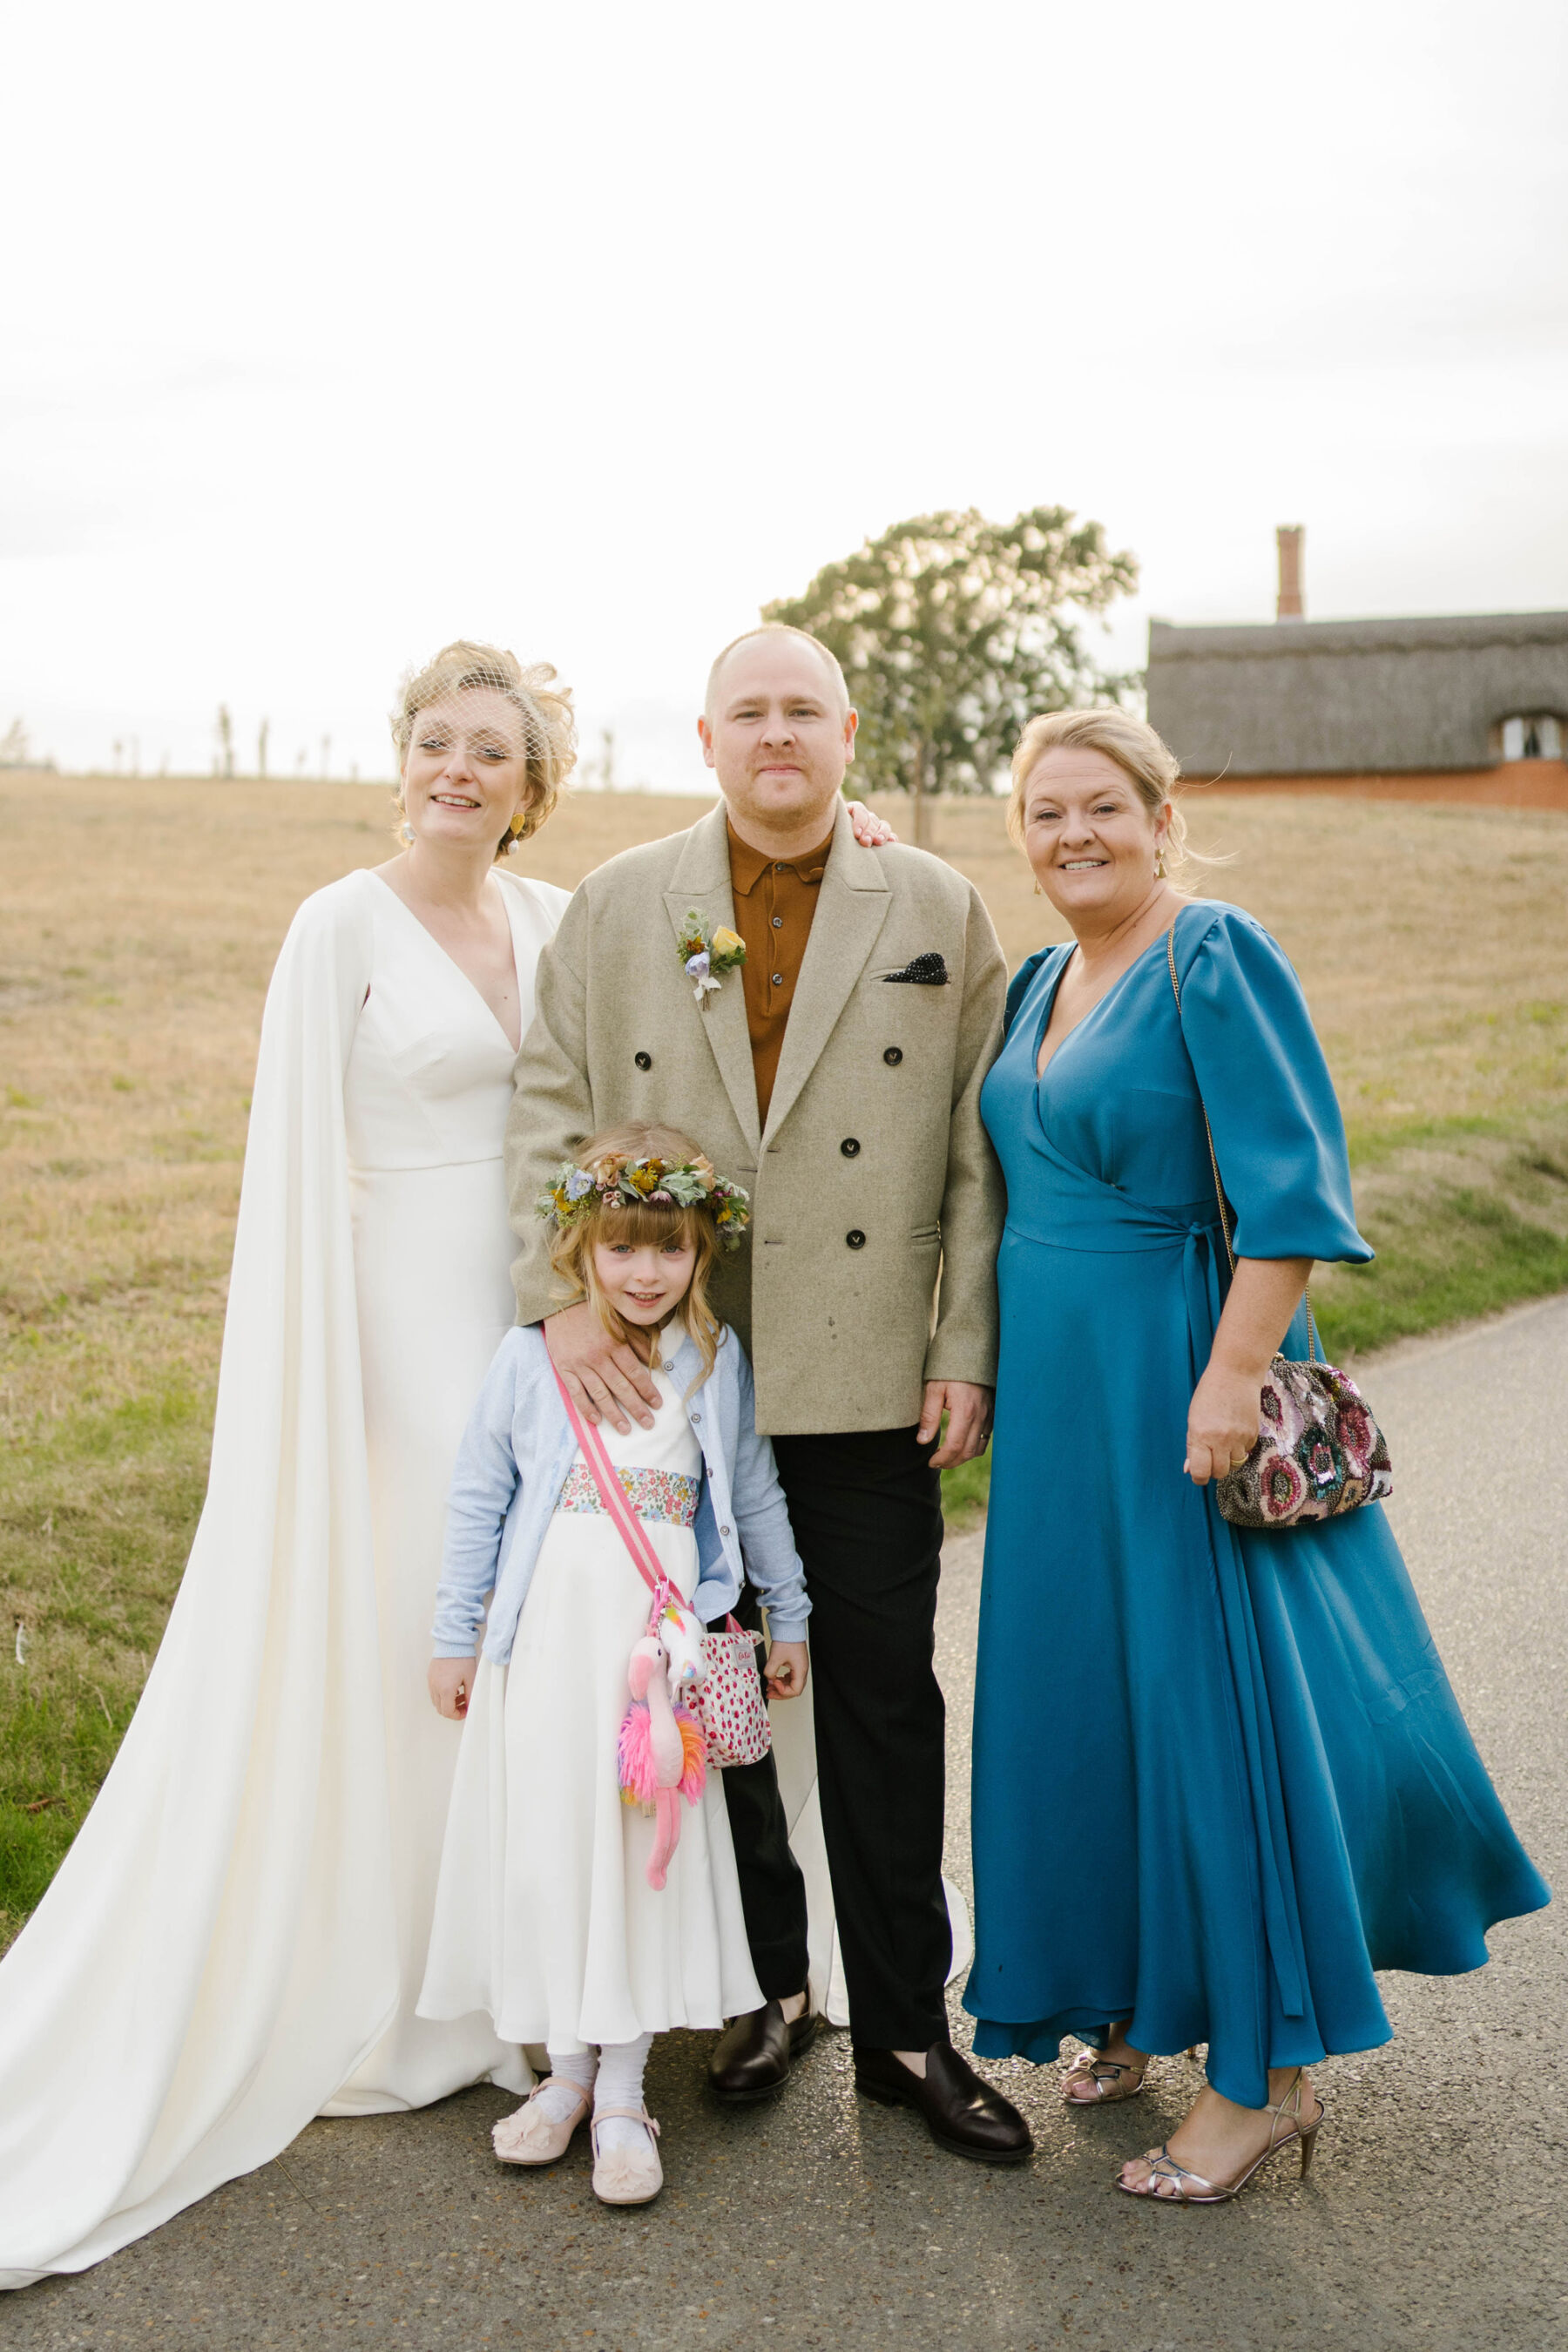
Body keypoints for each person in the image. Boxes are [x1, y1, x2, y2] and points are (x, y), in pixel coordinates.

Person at [0, 641, 578, 2288]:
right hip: (395, 1324)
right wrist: (314, 1383)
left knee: (531, 1632)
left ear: (535, 788)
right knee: (421, 1623)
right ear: (402, 761)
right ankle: (397, 1989)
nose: (457, 769)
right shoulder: (337, 929)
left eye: (492, 750)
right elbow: (292, 1170)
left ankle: (510, 1978)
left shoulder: (556, 923)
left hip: (538, 1319)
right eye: (434, 742)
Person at [967, 706, 1551, 2203]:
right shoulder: (1038, 975)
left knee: (1203, 1703)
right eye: (1044, 814)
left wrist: (1232, 1376)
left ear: (1163, 818)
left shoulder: (1209, 954)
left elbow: (1292, 1191)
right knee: (1080, 1697)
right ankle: (1129, 1996)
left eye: (1102, 807)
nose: (1072, 835)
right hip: (1053, 1405)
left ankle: (1265, 2077)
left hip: (1176, 1373)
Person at [505, 623, 1032, 2165]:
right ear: (707, 736)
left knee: (881, 1696)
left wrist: (965, 1341)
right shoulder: (618, 907)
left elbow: (976, 1155)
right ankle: (766, 1986)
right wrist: (558, 1304)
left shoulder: (937, 904)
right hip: (677, 1384)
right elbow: (548, 1108)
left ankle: (909, 2032)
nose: (779, 735)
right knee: (712, 1698)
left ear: (848, 730)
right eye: (752, 712)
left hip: (870, 1377)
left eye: (805, 709)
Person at [417, 1123, 810, 2207]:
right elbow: (478, 1498)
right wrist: (457, 1633)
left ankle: (629, 2090)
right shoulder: (531, 1359)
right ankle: (569, 2075)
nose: (645, 1273)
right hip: (550, 1648)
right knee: (559, 1847)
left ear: (702, 1251)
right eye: (622, 1249)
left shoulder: (716, 1360)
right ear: (580, 1251)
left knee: (644, 1854)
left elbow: (754, 1492)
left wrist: (791, 1614)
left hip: (661, 1657)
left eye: (669, 1249)